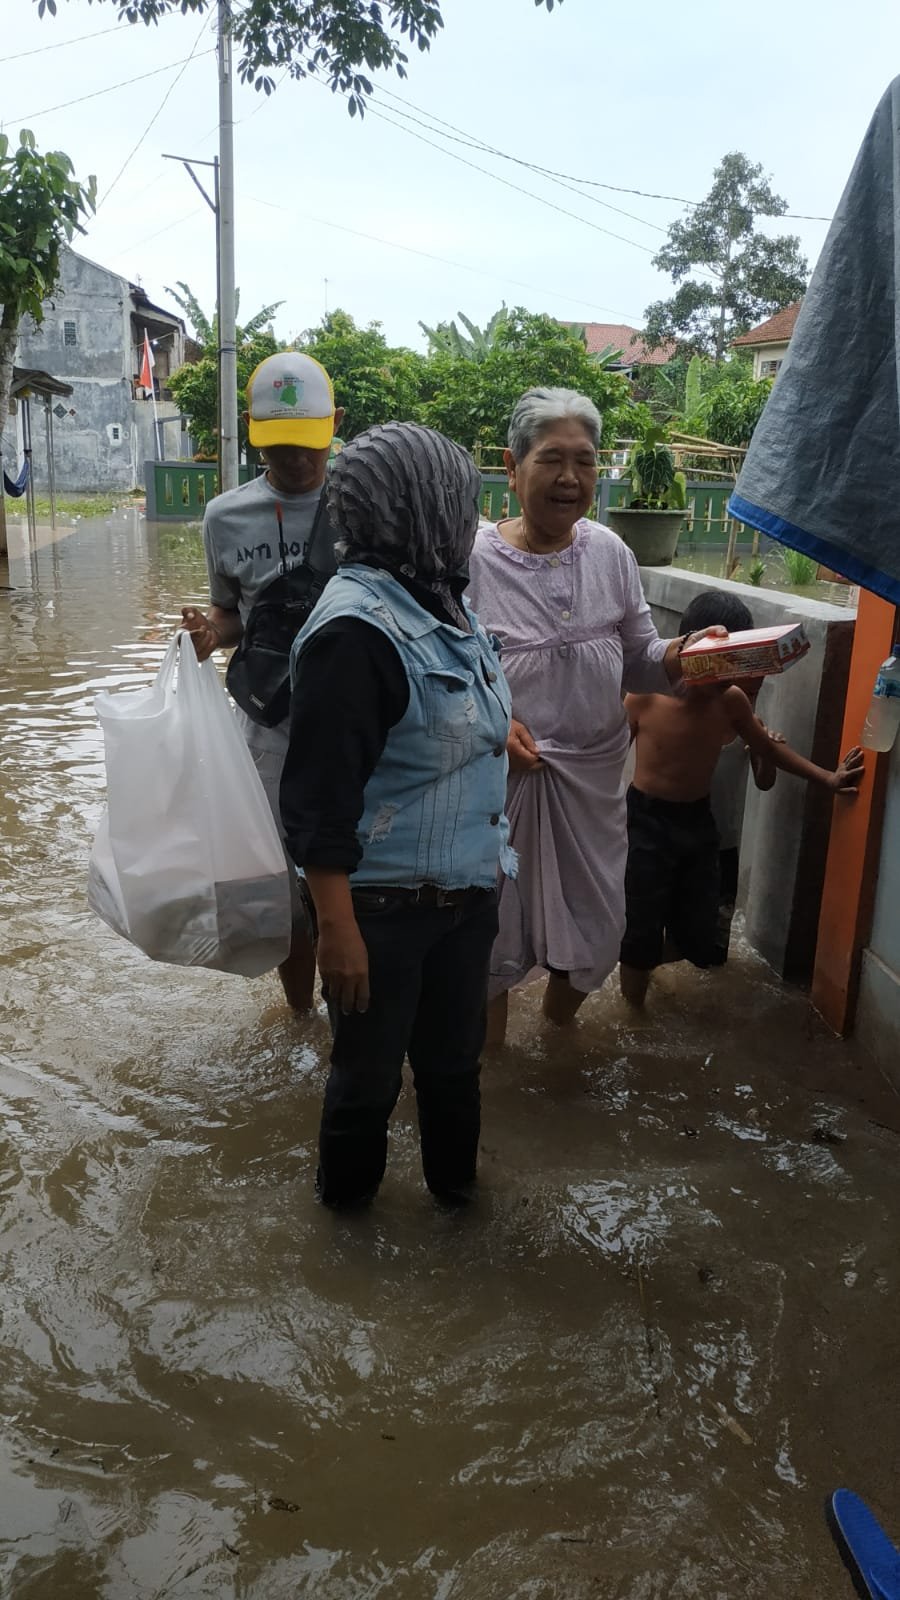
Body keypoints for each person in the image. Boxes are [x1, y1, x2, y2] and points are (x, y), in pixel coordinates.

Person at [280, 422, 514, 1209]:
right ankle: (345, 1240)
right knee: (367, 1079)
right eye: (462, 501)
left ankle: (459, 1209)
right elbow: (317, 799)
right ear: (422, 505)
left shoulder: (443, 597)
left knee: (455, 1068)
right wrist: (335, 929)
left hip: (463, 898)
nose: (471, 518)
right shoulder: (354, 631)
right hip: (379, 912)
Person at [466, 387, 709, 1047]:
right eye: (551, 459)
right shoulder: (471, 562)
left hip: (593, 787)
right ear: (513, 471)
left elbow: (639, 662)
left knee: (599, 936)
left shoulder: (610, 553)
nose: (571, 477)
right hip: (499, 788)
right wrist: (492, 725)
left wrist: (685, 657)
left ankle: (555, 1032)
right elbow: (445, 678)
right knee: (490, 943)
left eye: (585, 459)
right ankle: (491, 1083)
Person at [180, 352, 344, 1011]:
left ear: (335, 424)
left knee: (349, 881)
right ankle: (301, 1016)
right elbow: (232, 617)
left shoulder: (364, 503)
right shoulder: (226, 516)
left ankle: (353, 1017)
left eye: (306, 446)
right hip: (267, 731)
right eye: (277, 448)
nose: (295, 464)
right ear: (253, 432)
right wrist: (208, 636)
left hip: (353, 728)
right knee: (279, 890)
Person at [619, 597, 865, 1008]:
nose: (728, 669)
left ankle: (647, 966)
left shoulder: (732, 701)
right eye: (718, 657)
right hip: (645, 821)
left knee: (703, 939)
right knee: (639, 929)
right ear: (689, 649)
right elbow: (607, 753)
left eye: (736, 658)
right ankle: (634, 1014)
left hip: (698, 825)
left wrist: (829, 778)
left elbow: (768, 750)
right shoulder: (645, 696)